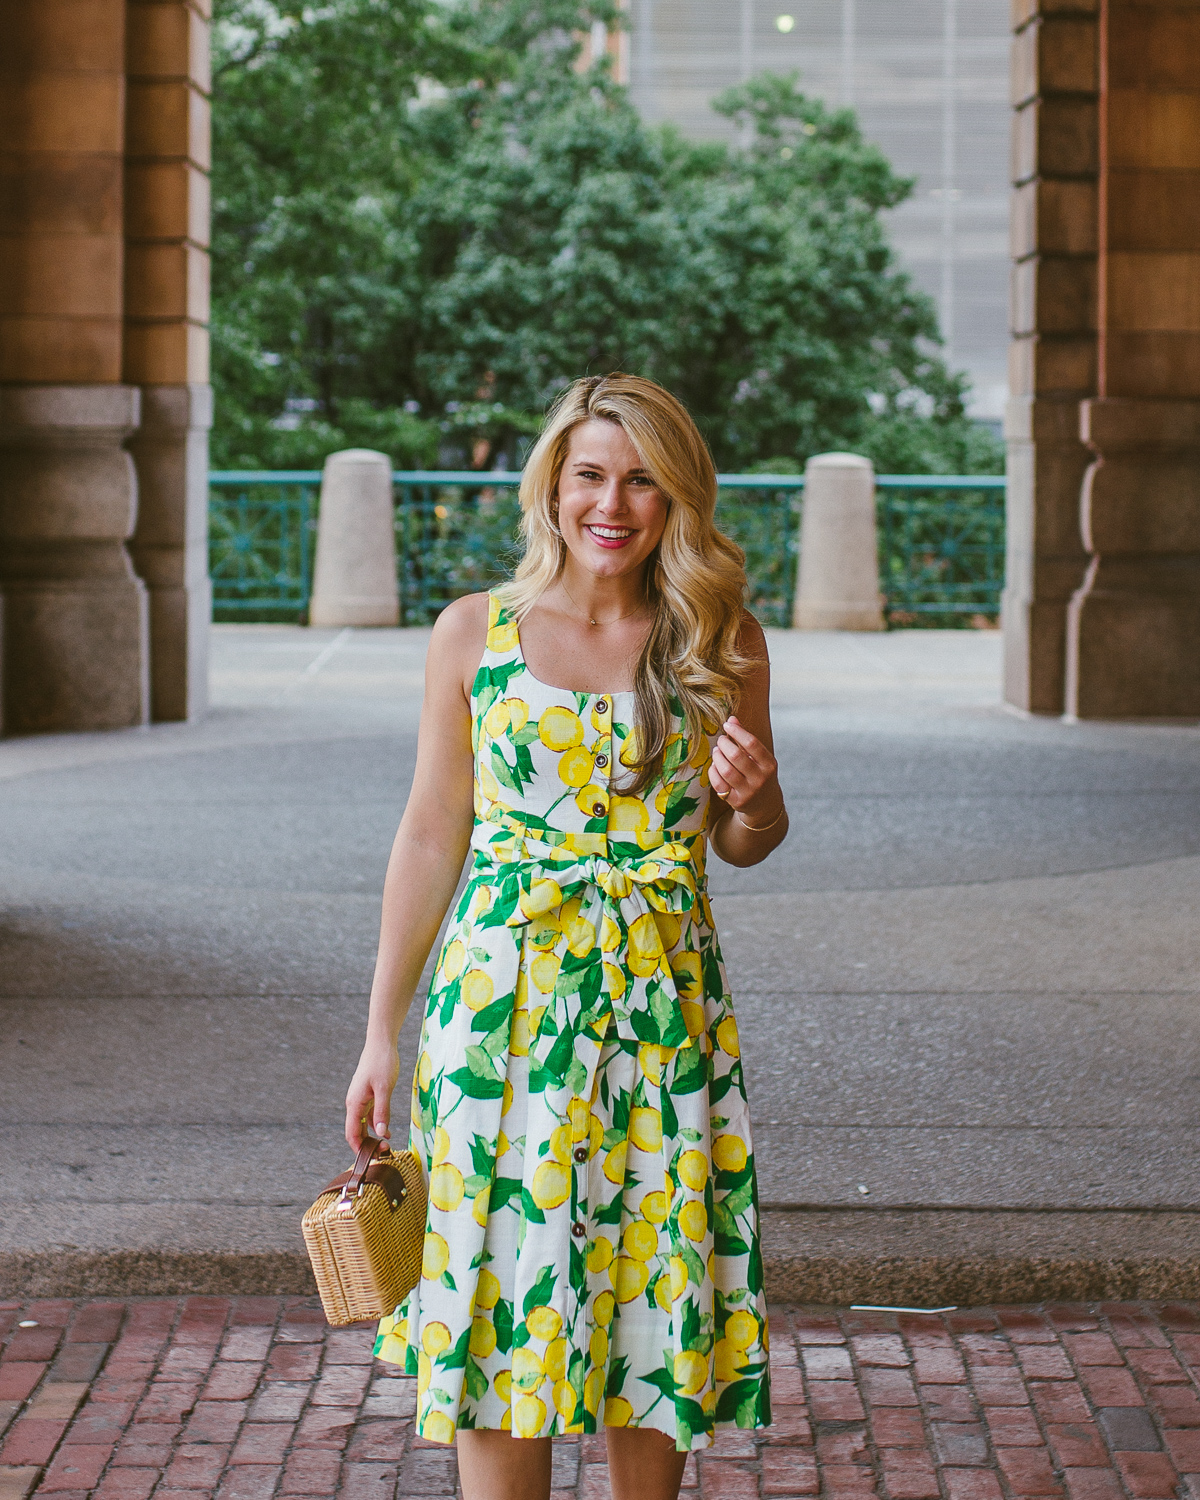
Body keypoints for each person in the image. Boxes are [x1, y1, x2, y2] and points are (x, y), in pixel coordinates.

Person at [344, 373, 789, 1500]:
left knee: (652, 1299)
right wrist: (380, 1034)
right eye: (590, 473)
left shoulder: (722, 636)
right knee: (501, 1307)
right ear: (552, 485)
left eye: (642, 479)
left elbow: (746, 841)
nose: (614, 502)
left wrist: (758, 795)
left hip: (658, 1013)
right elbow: (433, 831)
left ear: (676, 498)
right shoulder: (472, 634)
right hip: (501, 1016)